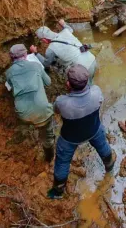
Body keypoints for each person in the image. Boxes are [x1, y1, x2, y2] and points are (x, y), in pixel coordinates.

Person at [47, 64, 116, 199]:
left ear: (68, 84)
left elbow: (56, 111)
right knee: (103, 146)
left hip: (70, 137)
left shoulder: (62, 102)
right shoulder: (96, 92)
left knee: (62, 162)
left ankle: (58, 191)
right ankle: (110, 167)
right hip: (94, 130)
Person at [5, 44, 55, 162]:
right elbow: (48, 82)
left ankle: (28, 127)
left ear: (12, 59)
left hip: (23, 114)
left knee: (27, 115)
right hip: (42, 112)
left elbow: (11, 87)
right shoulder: (36, 65)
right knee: (47, 135)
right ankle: (49, 157)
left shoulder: (9, 73)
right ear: (26, 55)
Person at [30, 19, 97, 80]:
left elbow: (46, 64)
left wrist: (35, 53)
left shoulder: (50, 49)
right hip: (92, 59)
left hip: (83, 68)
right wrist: (63, 24)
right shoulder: (65, 31)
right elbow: (70, 29)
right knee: (90, 80)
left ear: (44, 39)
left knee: (85, 87)